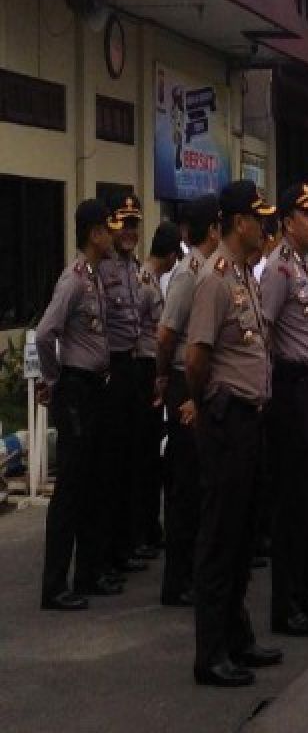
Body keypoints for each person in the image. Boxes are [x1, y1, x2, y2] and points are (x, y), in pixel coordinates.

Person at [185, 180, 281, 687]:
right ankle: (211, 652)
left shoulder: (245, 274)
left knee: (244, 536)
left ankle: (238, 637)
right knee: (220, 538)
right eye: (258, 218)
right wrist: (206, 406)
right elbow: (196, 358)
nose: (265, 226)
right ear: (238, 221)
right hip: (228, 419)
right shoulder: (215, 278)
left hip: (251, 418)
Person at [35, 200, 120, 610]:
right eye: (107, 228)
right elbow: (44, 333)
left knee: (93, 484)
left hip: (95, 388)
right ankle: (55, 585)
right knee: (70, 488)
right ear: (93, 233)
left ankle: (88, 573)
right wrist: (56, 380)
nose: (112, 235)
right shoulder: (72, 280)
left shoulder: (96, 277)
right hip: (77, 390)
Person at [258, 183, 308, 637]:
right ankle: (285, 607)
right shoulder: (279, 270)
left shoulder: (304, 267)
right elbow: (263, 334)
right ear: (286, 221)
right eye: (306, 215)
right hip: (291, 390)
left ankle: (304, 595)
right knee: (292, 503)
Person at [157, 195, 220, 608]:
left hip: (199, 380)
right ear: (210, 230)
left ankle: (191, 574)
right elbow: (166, 335)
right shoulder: (188, 273)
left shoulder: (209, 270)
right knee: (184, 485)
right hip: (184, 381)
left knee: (199, 483)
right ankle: (176, 581)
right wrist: (164, 377)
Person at [98, 194, 149, 578]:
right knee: (111, 467)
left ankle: (128, 544)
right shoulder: (102, 269)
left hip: (133, 367)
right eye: (125, 224)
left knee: (133, 460)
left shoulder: (134, 269)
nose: (130, 231)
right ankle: (109, 552)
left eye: (135, 223)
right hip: (112, 371)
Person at [132, 222, 182, 560]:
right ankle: (142, 530)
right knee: (143, 458)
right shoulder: (145, 282)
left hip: (150, 369)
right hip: (144, 368)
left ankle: (148, 528)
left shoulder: (148, 280)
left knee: (151, 455)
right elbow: (142, 332)